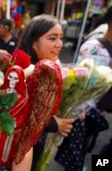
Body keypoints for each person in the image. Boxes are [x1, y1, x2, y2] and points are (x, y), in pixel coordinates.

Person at [55, 5, 112, 171]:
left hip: (98, 113)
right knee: (75, 152)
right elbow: (79, 82)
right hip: (84, 113)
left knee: (85, 148)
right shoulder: (94, 47)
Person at [16, 14, 75, 170]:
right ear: (34, 42)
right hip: (19, 153)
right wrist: (53, 123)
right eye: (52, 38)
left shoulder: (53, 67)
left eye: (61, 37)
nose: (59, 44)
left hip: (39, 146)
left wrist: (75, 109)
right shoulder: (23, 71)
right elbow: (16, 116)